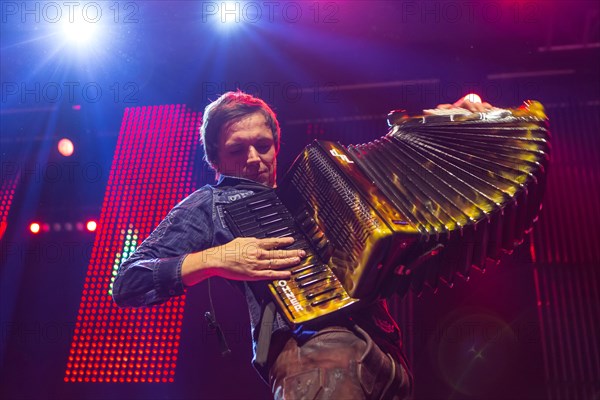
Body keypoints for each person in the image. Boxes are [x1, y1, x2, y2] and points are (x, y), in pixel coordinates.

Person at [112, 91, 492, 399]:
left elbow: (409, 182)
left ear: (277, 146)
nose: (254, 159)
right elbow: (129, 281)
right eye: (236, 150)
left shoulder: (318, 186)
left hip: (390, 360)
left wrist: (447, 128)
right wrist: (215, 258)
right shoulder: (207, 203)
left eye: (263, 145)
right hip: (311, 356)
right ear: (214, 158)